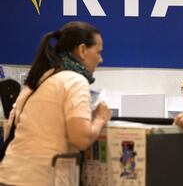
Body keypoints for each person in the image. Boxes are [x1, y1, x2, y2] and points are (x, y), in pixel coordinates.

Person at [0, 21, 112, 186]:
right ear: (82, 50)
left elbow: (11, 126)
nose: (100, 59)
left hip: (9, 175)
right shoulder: (75, 81)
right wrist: (100, 119)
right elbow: (80, 139)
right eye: (98, 52)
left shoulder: (40, 78)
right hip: (43, 179)